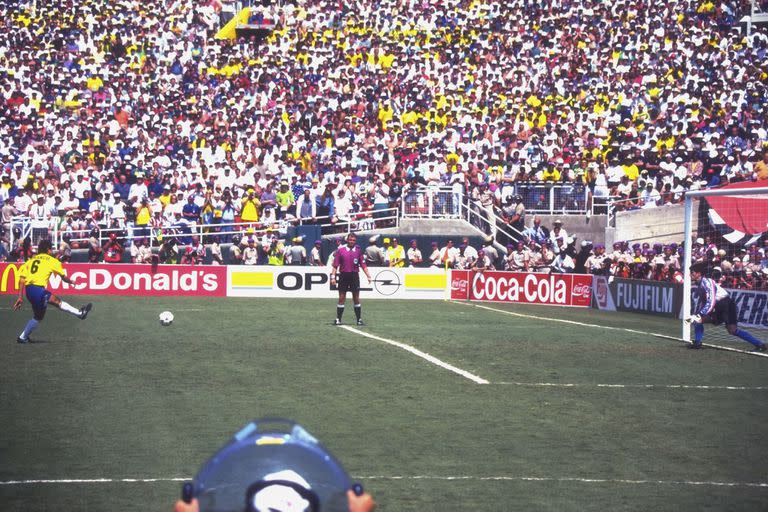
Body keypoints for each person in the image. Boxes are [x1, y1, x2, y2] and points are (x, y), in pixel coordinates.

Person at [12, 239, 92, 343]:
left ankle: (23, 337)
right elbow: (63, 277)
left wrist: (20, 297)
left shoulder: (31, 260)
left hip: (29, 291)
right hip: (38, 290)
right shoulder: (52, 261)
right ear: (48, 250)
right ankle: (80, 313)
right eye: (51, 249)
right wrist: (72, 281)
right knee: (50, 307)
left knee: (46, 310)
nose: (52, 251)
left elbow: (22, 280)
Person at [687, 262, 767, 351]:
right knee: (697, 320)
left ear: (699, 273)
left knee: (732, 330)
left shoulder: (707, 282)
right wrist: (698, 314)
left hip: (726, 304)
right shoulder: (700, 284)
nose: (690, 275)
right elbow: (706, 302)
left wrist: (700, 313)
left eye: (692, 272)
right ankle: (697, 343)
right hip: (718, 307)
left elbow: (711, 300)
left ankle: (759, 344)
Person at [330, 233, 372, 326]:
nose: (352, 241)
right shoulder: (340, 251)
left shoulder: (358, 251)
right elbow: (335, 265)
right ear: (347, 240)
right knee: (341, 298)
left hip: (354, 276)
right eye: (350, 240)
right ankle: (338, 319)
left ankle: (359, 320)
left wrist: (368, 276)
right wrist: (333, 277)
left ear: (355, 241)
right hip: (343, 276)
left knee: (356, 298)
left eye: (353, 240)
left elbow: (363, 265)